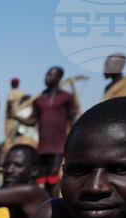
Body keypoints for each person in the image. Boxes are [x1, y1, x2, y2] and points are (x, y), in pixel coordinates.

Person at [12, 67, 77, 195]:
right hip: (43, 147)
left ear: (59, 78)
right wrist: (16, 117)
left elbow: (73, 118)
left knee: (53, 179)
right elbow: (32, 121)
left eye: (51, 75)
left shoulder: (66, 97)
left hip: (58, 146)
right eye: (47, 74)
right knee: (43, 180)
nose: (47, 77)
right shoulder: (39, 100)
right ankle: (47, 205)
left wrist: (74, 139)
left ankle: (55, 206)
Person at [4, 78, 30, 145]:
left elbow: (10, 102)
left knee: (10, 136)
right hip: (21, 118)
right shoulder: (22, 93)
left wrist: (9, 113)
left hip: (12, 119)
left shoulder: (12, 93)